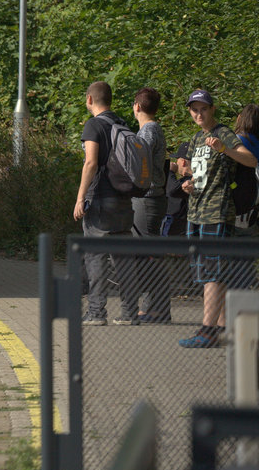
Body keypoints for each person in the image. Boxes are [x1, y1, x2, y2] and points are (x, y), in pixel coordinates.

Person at [178, 89, 258, 348]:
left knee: (212, 272)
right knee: (206, 271)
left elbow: (250, 160)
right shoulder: (195, 138)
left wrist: (225, 149)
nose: (199, 114)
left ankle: (207, 331)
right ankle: (222, 327)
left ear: (212, 109)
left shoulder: (223, 133)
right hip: (196, 211)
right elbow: (198, 175)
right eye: (194, 110)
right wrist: (189, 183)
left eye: (203, 109)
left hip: (218, 210)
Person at [73, 81, 137, 326]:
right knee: (124, 258)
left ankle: (97, 312)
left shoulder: (94, 125)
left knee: (96, 256)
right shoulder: (122, 124)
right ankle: (130, 313)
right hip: (124, 199)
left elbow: (90, 163)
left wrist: (80, 197)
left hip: (101, 200)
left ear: (90, 99)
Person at [126, 87, 169, 323]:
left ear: (137, 106)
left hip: (148, 197)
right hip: (151, 197)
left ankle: (157, 308)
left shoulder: (148, 130)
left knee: (149, 254)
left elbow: (139, 161)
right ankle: (155, 307)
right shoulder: (151, 129)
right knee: (149, 252)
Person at [232, 103, 259, 228]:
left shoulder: (236, 141)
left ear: (239, 118)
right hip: (254, 203)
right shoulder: (256, 142)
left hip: (239, 204)